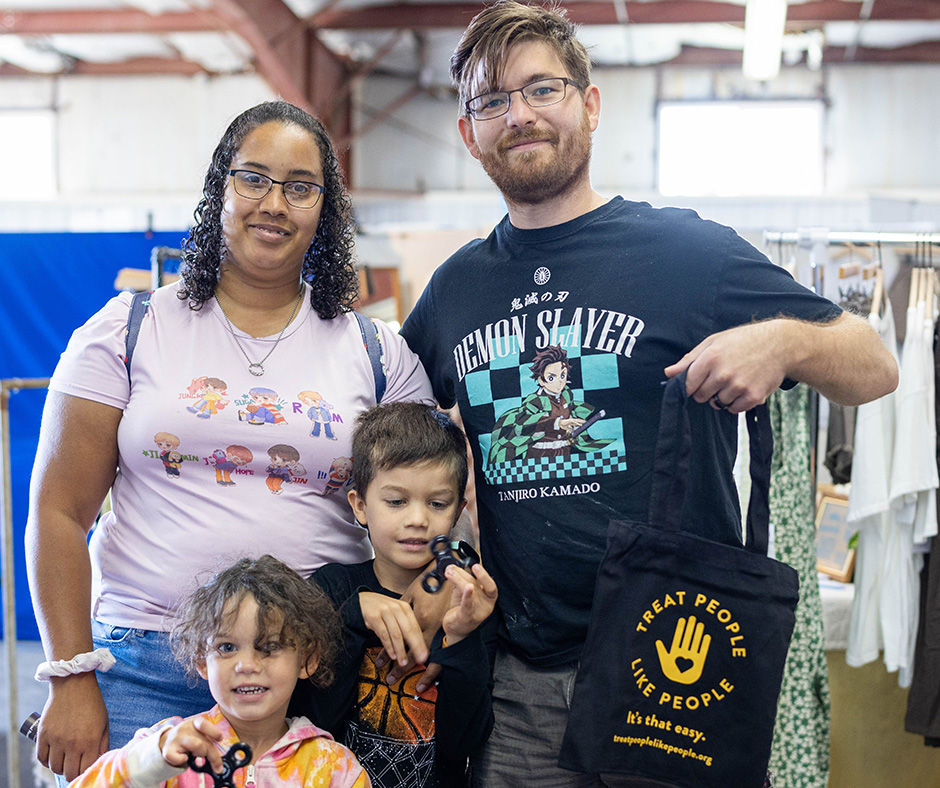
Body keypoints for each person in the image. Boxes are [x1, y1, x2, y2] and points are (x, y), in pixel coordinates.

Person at [397, 3, 899, 786]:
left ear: (590, 105)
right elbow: (393, 443)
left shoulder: (687, 254)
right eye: (490, 100)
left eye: (541, 89)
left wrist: (785, 339)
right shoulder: (455, 290)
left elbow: (874, 365)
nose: (518, 115)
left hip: (675, 670)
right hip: (521, 685)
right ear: (469, 133)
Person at [25, 100, 432, 783]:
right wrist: (70, 675)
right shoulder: (128, 329)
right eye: (253, 179)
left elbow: (423, 503)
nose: (274, 203)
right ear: (220, 189)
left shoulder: (376, 353)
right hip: (139, 670)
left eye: (300, 187)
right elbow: (58, 511)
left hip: (310, 672)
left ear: (324, 209)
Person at [289, 402, 497, 788]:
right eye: (397, 501)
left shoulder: (468, 604)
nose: (417, 518)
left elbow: (463, 744)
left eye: (436, 503)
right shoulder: (331, 590)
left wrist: (462, 641)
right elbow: (312, 722)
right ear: (360, 506)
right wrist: (351, 616)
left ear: (457, 513)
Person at [70, 555, 371, 788]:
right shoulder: (169, 747)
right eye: (227, 648)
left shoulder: (335, 768)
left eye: (269, 646)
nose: (247, 665)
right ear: (202, 661)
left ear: (307, 660)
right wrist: (151, 760)